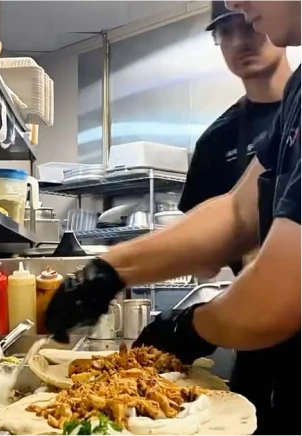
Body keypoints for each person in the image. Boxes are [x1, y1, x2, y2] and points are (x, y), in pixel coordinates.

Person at [44, 0, 302, 433]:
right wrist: (109, 270)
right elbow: (236, 212)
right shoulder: (298, 95)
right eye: (225, 29)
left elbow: (282, 294)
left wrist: (191, 327)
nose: (234, 4)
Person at [178, 0, 291, 432]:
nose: (241, 39)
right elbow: (206, 248)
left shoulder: (297, 108)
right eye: (226, 30)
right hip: (252, 339)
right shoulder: (215, 141)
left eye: (247, 23)